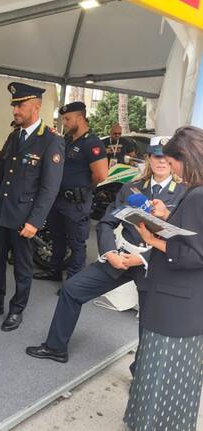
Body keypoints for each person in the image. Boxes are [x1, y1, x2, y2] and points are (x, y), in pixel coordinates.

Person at [25, 141, 185, 363]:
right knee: (72, 289)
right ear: (149, 158)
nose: (161, 161)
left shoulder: (185, 194)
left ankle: (140, 373)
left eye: (167, 157)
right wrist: (109, 252)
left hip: (153, 263)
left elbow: (182, 241)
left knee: (149, 321)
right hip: (121, 257)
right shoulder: (132, 188)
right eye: (156, 156)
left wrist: (141, 259)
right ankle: (55, 347)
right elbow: (105, 224)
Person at [0, 82, 64, 331]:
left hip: (24, 218)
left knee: (22, 267)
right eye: (14, 106)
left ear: (36, 107)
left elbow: (49, 188)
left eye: (20, 105)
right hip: (1, 212)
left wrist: (35, 221)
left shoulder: (50, 141)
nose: (15, 111)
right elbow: (1, 176)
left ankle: (16, 309)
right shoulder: (14, 136)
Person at [124, 126, 203, 431]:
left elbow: (195, 253)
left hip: (176, 304)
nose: (172, 169)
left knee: (161, 374)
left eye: (173, 162)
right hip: (184, 303)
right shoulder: (195, 193)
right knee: (172, 377)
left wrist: (150, 236)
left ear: (188, 157)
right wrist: (166, 219)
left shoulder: (197, 195)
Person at [34, 102, 108, 283]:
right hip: (58, 199)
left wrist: (81, 187)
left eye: (67, 119)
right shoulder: (67, 141)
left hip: (76, 202)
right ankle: (55, 271)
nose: (64, 123)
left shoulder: (92, 143)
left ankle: (74, 281)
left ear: (80, 118)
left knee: (76, 243)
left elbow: (100, 175)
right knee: (57, 237)